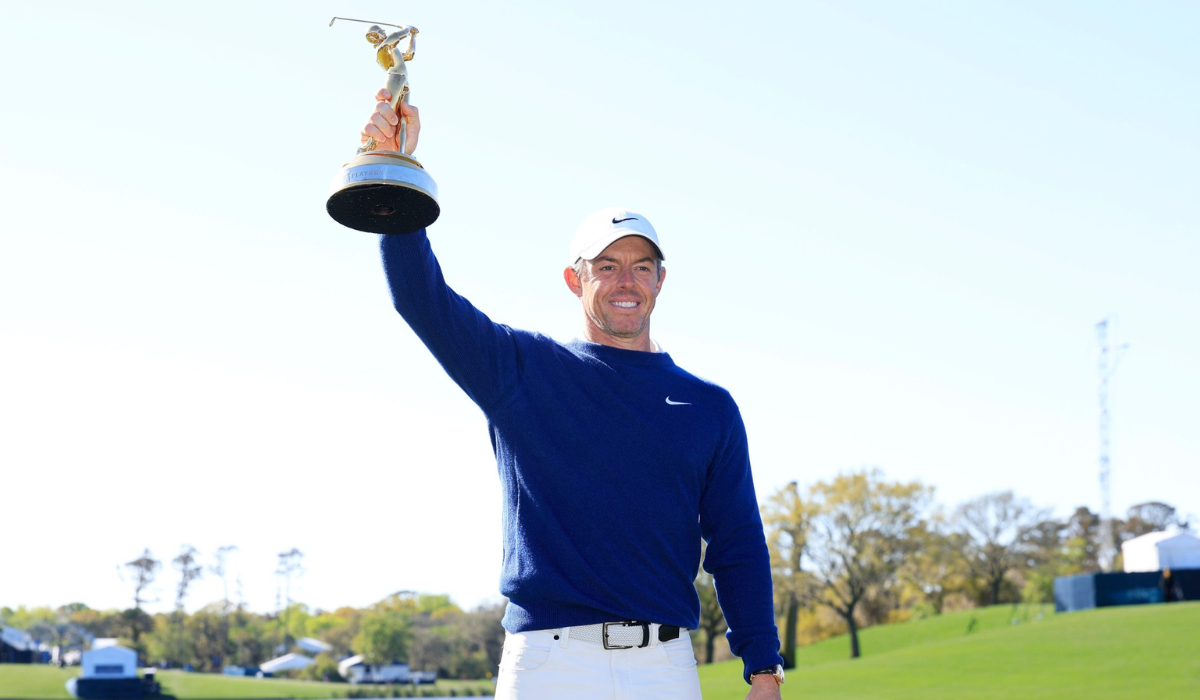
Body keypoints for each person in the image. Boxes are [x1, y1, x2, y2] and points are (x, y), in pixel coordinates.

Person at [362, 90, 785, 700]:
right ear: (574, 278)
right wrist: (394, 176)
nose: (626, 281)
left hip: (663, 667)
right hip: (548, 665)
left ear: (661, 281)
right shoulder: (522, 369)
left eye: (641, 267)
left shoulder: (710, 407)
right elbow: (420, 299)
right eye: (606, 265)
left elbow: (738, 542)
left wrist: (763, 667)